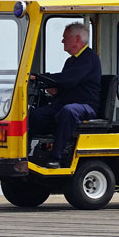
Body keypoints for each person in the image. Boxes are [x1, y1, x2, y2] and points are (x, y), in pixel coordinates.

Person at [29, 22, 101, 168]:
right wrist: (56, 89)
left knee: (69, 111)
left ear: (77, 39)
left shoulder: (89, 58)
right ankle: (27, 153)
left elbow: (70, 79)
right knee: (35, 114)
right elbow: (68, 83)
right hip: (66, 103)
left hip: (86, 107)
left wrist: (40, 77)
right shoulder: (70, 61)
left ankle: (57, 157)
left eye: (65, 37)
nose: (62, 41)